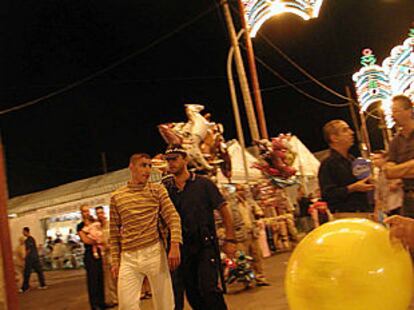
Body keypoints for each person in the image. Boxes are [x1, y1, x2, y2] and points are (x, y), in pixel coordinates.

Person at [162, 144, 236, 310]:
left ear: (185, 159)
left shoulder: (203, 184)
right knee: (192, 293)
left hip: (205, 245)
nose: (171, 163)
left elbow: (224, 209)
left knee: (209, 288)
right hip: (181, 249)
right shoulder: (166, 189)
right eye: (168, 160)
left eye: (175, 159)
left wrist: (231, 238)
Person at [110, 153, 182, 310]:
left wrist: (174, 245)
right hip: (128, 257)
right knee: (126, 305)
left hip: (154, 252)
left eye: (150, 166)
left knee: (165, 303)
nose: (148, 170)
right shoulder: (117, 196)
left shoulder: (157, 190)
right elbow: (114, 231)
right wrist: (115, 260)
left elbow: (173, 217)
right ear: (131, 167)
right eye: (143, 165)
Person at [318, 120, 375, 217]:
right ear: (334, 138)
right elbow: (327, 194)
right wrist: (352, 188)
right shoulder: (328, 164)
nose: (351, 133)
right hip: (344, 215)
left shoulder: (353, 160)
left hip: (364, 211)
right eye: (345, 130)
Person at [233, 184, 270, 286]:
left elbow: (258, 213)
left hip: (252, 233)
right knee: (243, 259)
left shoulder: (249, 203)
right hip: (241, 235)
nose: (241, 192)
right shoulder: (232, 205)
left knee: (257, 256)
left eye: (243, 190)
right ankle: (247, 281)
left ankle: (260, 278)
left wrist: (257, 220)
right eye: (239, 190)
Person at [385, 95, 414, 218]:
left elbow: (394, 170)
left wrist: (399, 171)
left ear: (409, 111)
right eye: (392, 112)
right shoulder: (395, 142)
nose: (393, 115)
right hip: (408, 200)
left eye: (396, 111)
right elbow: (389, 172)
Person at [77, 204, 105, 310]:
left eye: (88, 211)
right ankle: (95, 304)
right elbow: (85, 240)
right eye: (84, 211)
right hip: (89, 254)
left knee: (100, 278)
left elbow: (101, 231)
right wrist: (96, 241)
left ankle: (102, 302)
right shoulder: (80, 226)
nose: (87, 213)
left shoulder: (94, 222)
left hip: (98, 251)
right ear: (81, 213)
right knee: (92, 280)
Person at [95, 206, 118, 308]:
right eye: (98, 213)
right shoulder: (96, 227)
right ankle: (115, 299)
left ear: (104, 213)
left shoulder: (110, 224)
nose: (100, 215)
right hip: (104, 255)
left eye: (101, 212)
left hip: (113, 254)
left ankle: (122, 296)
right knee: (109, 279)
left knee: (117, 276)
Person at [372, 151, 404, 219]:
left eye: (377, 158)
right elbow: (378, 194)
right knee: (384, 224)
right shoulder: (378, 174)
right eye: (373, 159)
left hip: (396, 204)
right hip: (385, 207)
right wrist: (376, 210)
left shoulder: (392, 169)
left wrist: (396, 183)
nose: (375, 161)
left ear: (385, 159)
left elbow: (402, 178)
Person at [20, 227, 47, 293]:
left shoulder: (28, 240)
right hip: (35, 257)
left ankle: (25, 288)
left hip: (30, 258)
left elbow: (28, 250)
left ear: (26, 232)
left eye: (23, 232)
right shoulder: (32, 239)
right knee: (39, 271)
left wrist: (25, 257)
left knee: (27, 273)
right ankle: (43, 285)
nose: (23, 233)